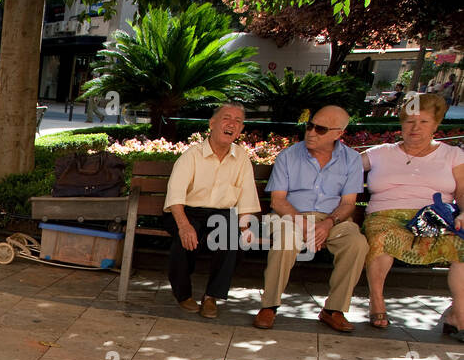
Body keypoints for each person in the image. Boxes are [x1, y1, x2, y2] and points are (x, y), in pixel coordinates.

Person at [253, 105, 368, 333]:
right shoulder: (289, 156)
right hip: (290, 216)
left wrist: (327, 224)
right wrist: (304, 224)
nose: (311, 132)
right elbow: (277, 201)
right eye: (310, 125)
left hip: (331, 220)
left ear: (338, 133)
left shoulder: (352, 160)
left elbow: (348, 204)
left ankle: (333, 310)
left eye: (321, 129)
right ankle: (270, 305)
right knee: (287, 238)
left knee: (357, 244)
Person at [362, 93, 464, 334]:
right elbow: (340, 168)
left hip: (435, 219)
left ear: (435, 125)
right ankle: (376, 301)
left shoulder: (452, 155)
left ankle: (458, 313)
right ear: (401, 125)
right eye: (409, 121)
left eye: (424, 122)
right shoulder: (380, 152)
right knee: (382, 237)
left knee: (462, 246)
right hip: (384, 216)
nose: (415, 127)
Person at [162, 102, 260, 319]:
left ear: (241, 129)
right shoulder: (193, 154)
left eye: (238, 121)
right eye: (226, 118)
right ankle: (183, 294)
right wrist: (185, 225)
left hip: (221, 215)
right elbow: (176, 194)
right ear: (212, 123)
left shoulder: (241, 157)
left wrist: (246, 227)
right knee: (184, 238)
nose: (232, 124)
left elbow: (246, 197)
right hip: (186, 210)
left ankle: (211, 296)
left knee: (234, 240)